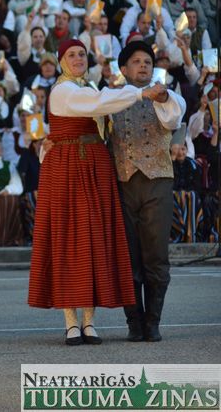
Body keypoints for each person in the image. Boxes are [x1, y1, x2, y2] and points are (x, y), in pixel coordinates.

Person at [28, 39, 168, 346]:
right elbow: (97, 104)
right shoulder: (64, 90)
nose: (78, 58)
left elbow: (101, 107)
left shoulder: (87, 87)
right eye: (71, 55)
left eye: (82, 54)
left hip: (93, 165)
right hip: (69, 166)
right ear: (62, 61)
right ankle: (70, 322)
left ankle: (89, 322)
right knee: (68, 240)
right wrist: (141, 93)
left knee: (93, 241)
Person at [110, 41, 186, 342]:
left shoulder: (166, 96)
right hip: (123, 183)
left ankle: (153, 322)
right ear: (123, 68)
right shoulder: (112, 98)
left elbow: (174, 117)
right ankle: (134, 323)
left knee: (155, 255)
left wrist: (162, 95)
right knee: (127, 257)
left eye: (147, 62)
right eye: (136, 61)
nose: (143, 65)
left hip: (157, 182)